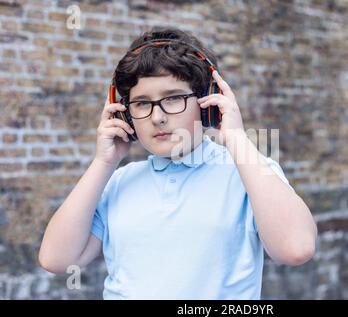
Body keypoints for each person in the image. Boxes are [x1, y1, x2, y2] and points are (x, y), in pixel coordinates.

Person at [39, 26, 317, 299]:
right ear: (125, 115)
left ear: (208, 103)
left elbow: (295, 248)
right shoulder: (118, 181)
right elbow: (56, 259)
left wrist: (235, 137)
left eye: (173, 99)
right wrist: (103, 162)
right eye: (142, 103)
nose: (157, 117)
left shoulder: (249, 173)